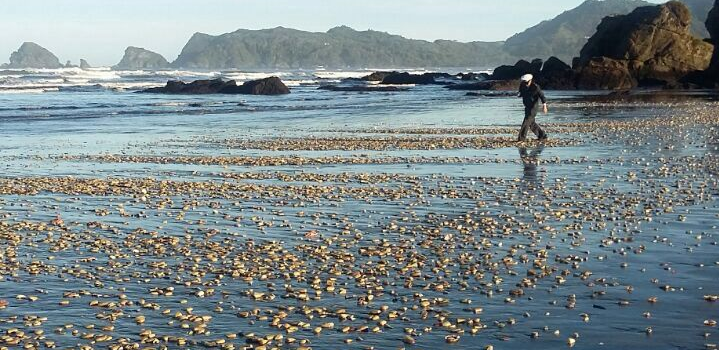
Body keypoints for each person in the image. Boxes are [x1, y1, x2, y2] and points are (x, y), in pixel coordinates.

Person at [517, 74, 548, 141]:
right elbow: (520, 93)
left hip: (533, 107)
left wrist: (544, 106)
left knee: (526, 122)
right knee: (531, 123)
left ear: (530, 80)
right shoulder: (522, 86)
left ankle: (521, 138)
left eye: (526, 82)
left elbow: (542, 96)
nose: (525, 83)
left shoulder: (536, 87)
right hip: (527, 106)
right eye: (524, 82)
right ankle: (542, 135)